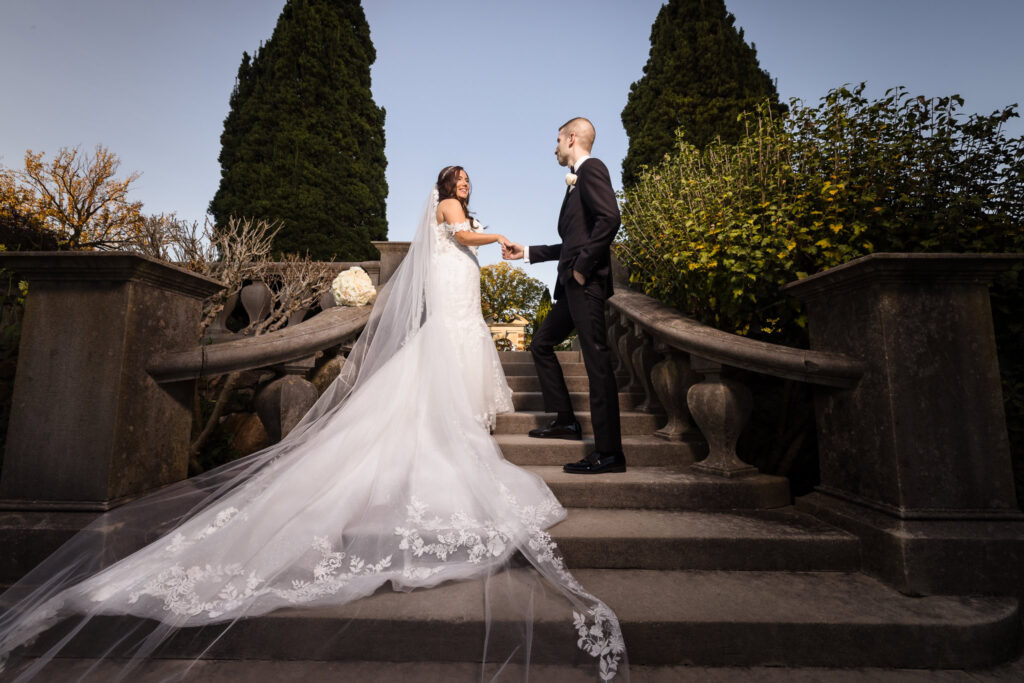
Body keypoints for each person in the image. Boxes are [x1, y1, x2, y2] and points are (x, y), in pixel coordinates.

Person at [0, 166, 626, 681]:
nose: (464, 186)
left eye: (467, 182)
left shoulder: (461, 214)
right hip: (457, 295)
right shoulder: (446, 213)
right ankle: (446, 429)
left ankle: (455, 422)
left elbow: (466, 249)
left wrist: (501, 247)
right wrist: (504, 241)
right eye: (458, 180)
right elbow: (463, 240)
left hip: (464, 299)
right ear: (444, 186)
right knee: (440, 366)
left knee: (458, 357)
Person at [503, 118, 625, 475]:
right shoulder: (576, 182)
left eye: (557, 140)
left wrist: (583, 267)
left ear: (572, 138)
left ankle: (609, 453)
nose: (554, 147)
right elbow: (573, 241)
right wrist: (526, 252)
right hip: (572, 286)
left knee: (597, 363)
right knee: (541, 342)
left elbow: (610, 218)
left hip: (584, 284)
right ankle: (565, 421)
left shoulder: (591, 169)